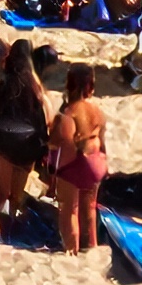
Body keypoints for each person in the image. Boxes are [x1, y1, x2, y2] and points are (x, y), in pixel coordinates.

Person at [0, 39, 50, 237]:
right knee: (16, 195)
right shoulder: (37, 90)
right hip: (29, 145)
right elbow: (46, 118)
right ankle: (11, 225)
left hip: (5, 142)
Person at [47, 63, 108, 253]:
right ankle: (91, 247)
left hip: (78, 162)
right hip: (97, 161)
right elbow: (102, 140)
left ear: (68, 85)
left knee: (69, 209)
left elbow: (63, 143)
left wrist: (54, 172)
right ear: (91, 87)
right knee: (89, 208)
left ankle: (71, 249)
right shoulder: (97, 111)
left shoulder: (69, 113)